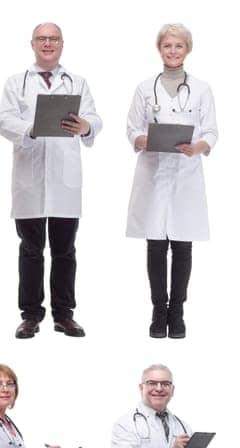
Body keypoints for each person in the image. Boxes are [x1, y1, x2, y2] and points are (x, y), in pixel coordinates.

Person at [0, 23, 100, 339]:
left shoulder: (77, 82)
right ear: (32, 44)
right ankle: (30, 315)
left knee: (65, 251)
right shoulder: (17, 82)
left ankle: (64, 315)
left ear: (62, 44)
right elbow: (3, 120)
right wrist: (30, 128)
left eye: (53, 38)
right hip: (30, 180)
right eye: (42, 38)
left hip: (64, 182)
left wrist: (85, 126)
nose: (48, 43)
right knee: (30, 251)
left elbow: (94, 119)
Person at [126, 24, 217, 339]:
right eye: (168, 46)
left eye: (179, 46)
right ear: (159, 49)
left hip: (186, 173)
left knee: (182, 245)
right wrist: (142, 140)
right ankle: (157, 310)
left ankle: (177, 313)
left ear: (187, 49)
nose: (173, 51)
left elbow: (211, 132)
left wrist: (198, 147)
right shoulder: (144, 88)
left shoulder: (202, 89)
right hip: (153, 171)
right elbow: (132, 128)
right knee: (155, 244)